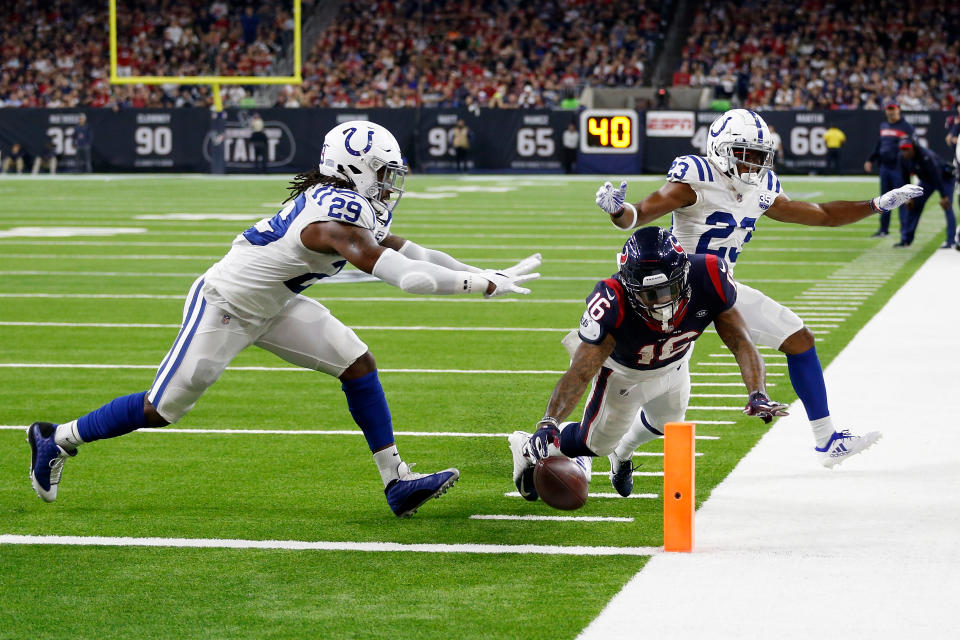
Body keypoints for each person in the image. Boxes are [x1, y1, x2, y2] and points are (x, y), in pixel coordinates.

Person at [26, 120, 542, 517]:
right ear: (355, 169)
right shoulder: (332, 219)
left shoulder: (350, 205)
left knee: (357, 364)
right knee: (163, 409)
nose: (390, 183)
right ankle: (57, 440)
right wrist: (481, 285)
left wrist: (479, 270)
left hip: (277, 304)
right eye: (384, 173)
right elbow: (410, 278)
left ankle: (396, 482)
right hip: (226, 304)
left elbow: (416, 252)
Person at [595, 109, 922, 467]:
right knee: (660, 412)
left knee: (800, 340)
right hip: (673, 293)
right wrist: (618, 212)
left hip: (721, 288)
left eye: (758, 155)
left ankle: (827, 439)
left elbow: (823, 214)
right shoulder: (696, 176)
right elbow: (639, 213)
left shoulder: (762, 189)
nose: (753, 163)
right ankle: (609, 449)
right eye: (744, 153)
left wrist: (876, 204)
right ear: (720, 148)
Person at [509, 227, 788, 500]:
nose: (662, 302)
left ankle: (624, 450)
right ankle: (526, 447)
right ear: (630, 288)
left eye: (670, 289)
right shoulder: (613, 300)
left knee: (666, 424)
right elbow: (581, 372)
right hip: (623, 376)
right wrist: (549, 421)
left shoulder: (709, 276)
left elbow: (741, 342)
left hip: (675, 364)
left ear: (685, 274)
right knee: (596, 444)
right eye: (650, 295)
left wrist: (757, 391)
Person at [864, 103, 916, 238]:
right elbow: (879, 145)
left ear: (898, 110)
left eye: (893, 110)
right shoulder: (884, 126)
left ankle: (905, 233)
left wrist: (911, 167)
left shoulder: (907, 127)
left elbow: (912, 148)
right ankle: (883, 229)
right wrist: (870, 159)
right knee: (885, 200)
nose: (891, 112)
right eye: (889, 110)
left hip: (899, 168)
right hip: (885, 168)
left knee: (902, 199)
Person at [896, 140, 955, 249]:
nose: (905, 152)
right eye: (902, 150)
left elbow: (936, 176)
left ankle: (951, 241)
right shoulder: (902, 158)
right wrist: (908, 197)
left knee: (947, 206)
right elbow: (905, 177)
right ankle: (906, 240)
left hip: (944, 179)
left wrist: (944, 196)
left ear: (913, 148)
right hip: (926, 181)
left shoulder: (925, 157)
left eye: (907, 149)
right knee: (914, 206)